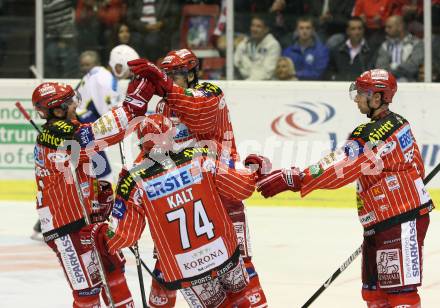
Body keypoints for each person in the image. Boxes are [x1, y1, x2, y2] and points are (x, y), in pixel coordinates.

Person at [256, 69, 434, 308]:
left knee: (400, 294)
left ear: (378, 97)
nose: (357, 98)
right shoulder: (401, 123)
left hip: (399, 219)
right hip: (384, 220)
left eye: (362, 93)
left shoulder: (369, 134)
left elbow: (339, 169)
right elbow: (418, 168)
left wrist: (296, 178)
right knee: (374, 294)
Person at [128, 48, 269, 307]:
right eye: (168, 75)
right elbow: (154, 150)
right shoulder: (162, 105)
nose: (171, 80)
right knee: (167, 272)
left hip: (222, 192)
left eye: (177, 75)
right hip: (182, 199)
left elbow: (198, 115)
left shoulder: (210, 93)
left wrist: (164, 83)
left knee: (240, 268)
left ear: (193, 72)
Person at [82, 114, 268, 307]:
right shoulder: (201, 157)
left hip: (185, 268)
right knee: (241, 297)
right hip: (223, 253)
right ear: (172, 135)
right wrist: (253, 171)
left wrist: (101, 232)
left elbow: (125, 236)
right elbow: (241, 188)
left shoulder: (134, 180)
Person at [31, 79, 154, 307]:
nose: (75, 105)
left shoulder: (64, 130)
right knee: (87, 293)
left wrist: (97, 198)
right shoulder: (57, 135)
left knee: (112, 269)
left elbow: (78, 174)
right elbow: (98, 135)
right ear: (56, 110)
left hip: (85, 218)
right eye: (69, 102)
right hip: (66, 228)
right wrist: (131, 108)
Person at [76, 45, 139, 182]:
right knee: (104, 173)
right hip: (83, 126)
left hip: (81, 125)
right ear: (118, 64)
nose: (130, 73)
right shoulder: (106, 80)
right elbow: (110, 117)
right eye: (128, 68)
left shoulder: (100, 74)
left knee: (96, 172)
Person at [326, 16, 375, 81]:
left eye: (359, 29)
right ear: (347, 31)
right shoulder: (337, 50)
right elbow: (329, 72)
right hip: (339, 87)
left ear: (363, 30)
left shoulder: (371, 51)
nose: (357, 32)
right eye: (353, 29)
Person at [376, 15, 423, 82]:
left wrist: (392, 71)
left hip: (412, 85)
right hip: (388, 86)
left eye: (389, 27)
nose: (386, 30)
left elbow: (414, 65)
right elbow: (381, 68)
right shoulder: (385, 45)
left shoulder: (416, 43)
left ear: (400, 27)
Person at [234, 15, 281, 80]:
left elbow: (267, 73)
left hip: (264, 86)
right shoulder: (244, 43)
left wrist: (246, 83)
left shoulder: (273, 45)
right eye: (253, 25)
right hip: (243, 82)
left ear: (266, 29)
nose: (254, 29)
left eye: (258, 26)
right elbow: (236, 63)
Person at [282, 16, 329, 80]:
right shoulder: (288, 52)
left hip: (314, 87)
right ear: (297, 30)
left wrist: (295, 74)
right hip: (292, 86)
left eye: (308, 28)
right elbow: (283, 72)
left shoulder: (322, 51)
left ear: (313, 30)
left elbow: (318, 73)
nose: (304, 31)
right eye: (301, 28)